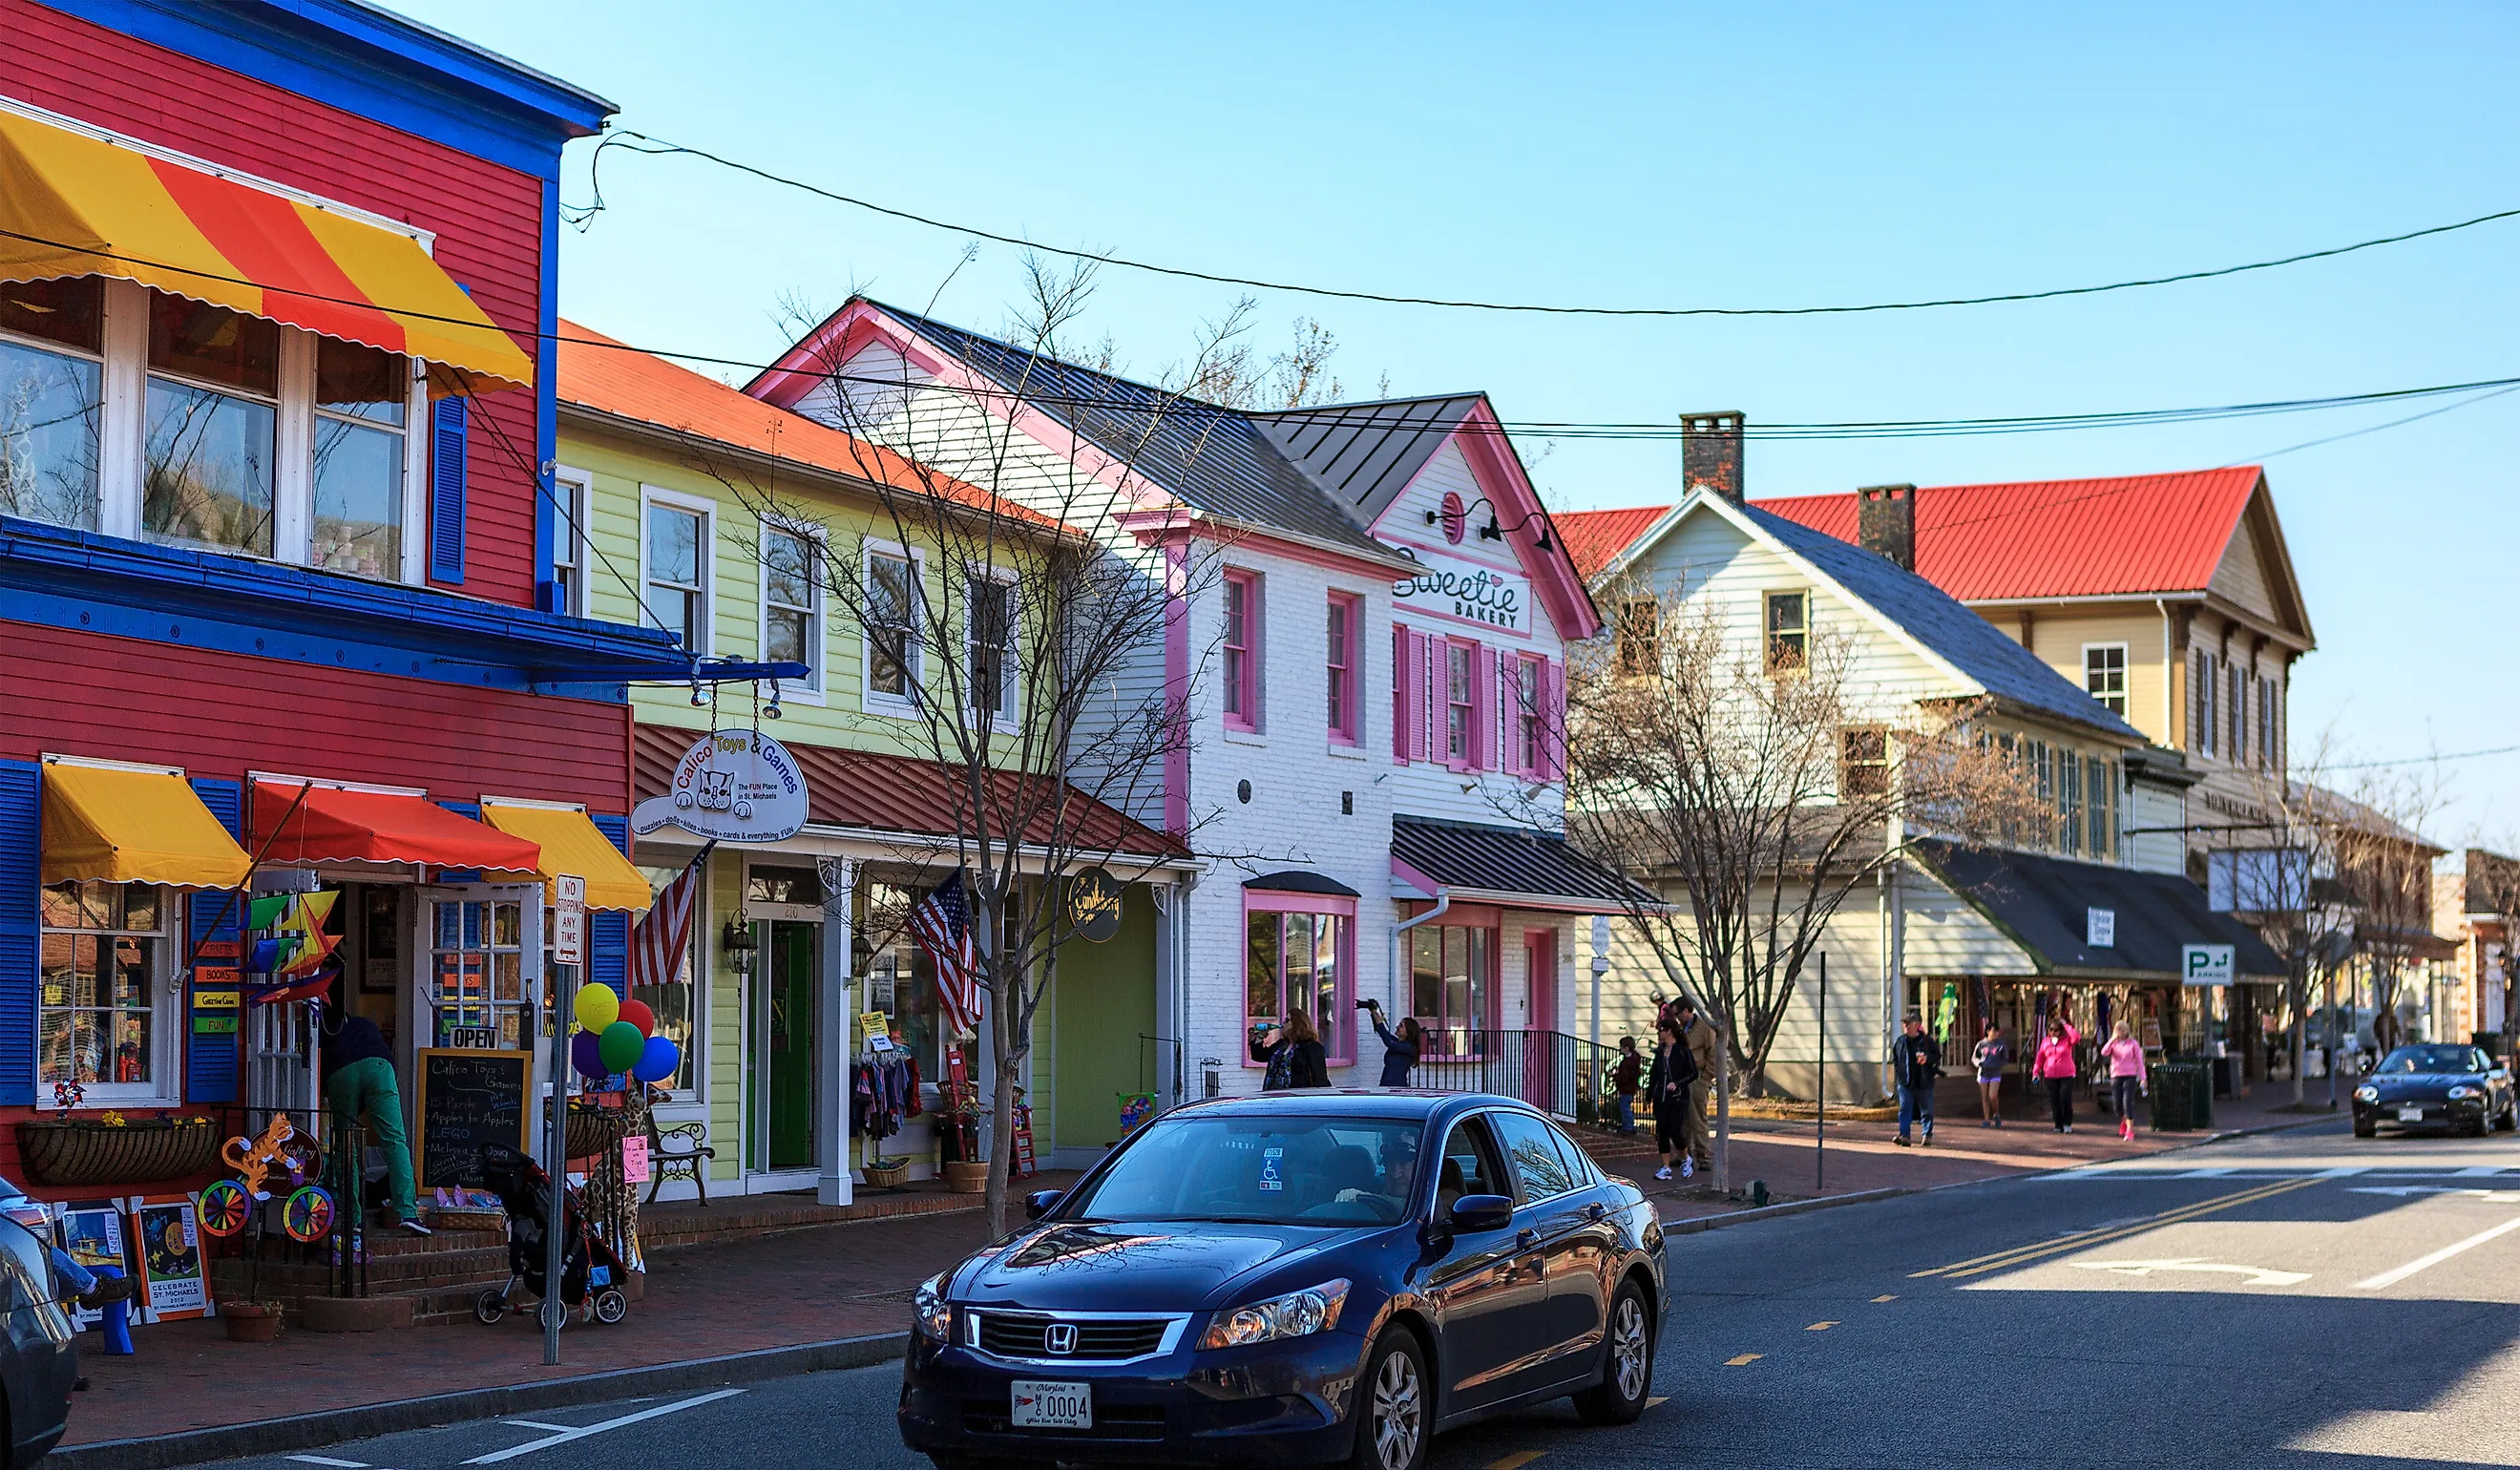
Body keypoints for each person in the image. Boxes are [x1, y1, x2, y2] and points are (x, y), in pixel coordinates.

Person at [322, 997, 428, 1234]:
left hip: (342, 1070)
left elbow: (326, 1083)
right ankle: (408, 1213)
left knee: (346, 1144)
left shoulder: (323, 1033)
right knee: (395, 1141)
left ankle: (353, 1217)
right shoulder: (363, 1024)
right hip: (380, 1067)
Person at [1672, 997, 1720, 1176]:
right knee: (1681, 1119)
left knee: (1697, 1119)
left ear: (1686, 1011)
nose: (1676, 1017)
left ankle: (1704, 1157)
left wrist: (1706, 1077)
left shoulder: (1704, 1027)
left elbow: (1714, 1052)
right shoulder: (1679, 1029)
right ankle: (1684, 1154)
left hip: (1697, 1077)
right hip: (1681, 1078)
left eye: (1678, 1013)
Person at [1647, 1018, 1698, 1180]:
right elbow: (1654, 1076)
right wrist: (1648, 1096)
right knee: (1662, 1131)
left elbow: (1693, 1073)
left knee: (1675, 1130)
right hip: (1660, 1098)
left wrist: (1677, 1083)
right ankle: (1666, 1167)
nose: (1659, 1034)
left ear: (1668, 1031)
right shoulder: (1660, 1053)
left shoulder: (1682, 1051)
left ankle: (1685, 1158)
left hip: (1678, 1098)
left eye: (1660, 1030)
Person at [1890, 1012, 1941, 1146]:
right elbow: (1895, 1059)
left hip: (1923, 1081)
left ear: (1917, 1025)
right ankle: (1904, 1136)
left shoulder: (1926, 1041)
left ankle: (1927, 1135)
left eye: (1908, 1023)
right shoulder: (1900, 1041)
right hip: (1905, 1082)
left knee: (1927, 1110)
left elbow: (1937, 1056)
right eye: (1904, 1023)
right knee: (1905, 1108)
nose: (1905, 1025)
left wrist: (1927, 1059)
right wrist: (1899, 1074)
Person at [1250, 1007, 1329, 1091]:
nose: (1283, 1023)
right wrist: (1260, 1037)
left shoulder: (1312, 1046)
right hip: (1274, 1095)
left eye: (1287, 1020)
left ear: (1297, 1024)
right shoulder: (1282, 1044)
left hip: (1297, 1097)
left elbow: (1320, 1077)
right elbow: (1259, 1056)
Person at [2030, 1017, 2082, 1133]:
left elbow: (2077, 1037)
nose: (2053, 1032)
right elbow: (2040, 1058)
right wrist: (2035, 1072)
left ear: (2061, 1030)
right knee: (2055, 1100)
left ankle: (2067, 1123)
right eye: (2051, 1029)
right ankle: (2058, 1124)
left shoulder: (2067, 1040)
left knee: (2065, 1098)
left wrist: (2066, 1025)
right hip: (2050, 1075)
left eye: (2056, 1030)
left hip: (2067, 1075)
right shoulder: (2045, 1042)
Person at [2101, 1019, 2150, 1141]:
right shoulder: (2114, 1043)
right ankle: (2124, 1121)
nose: (2121, 1032)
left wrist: (2143, 1078)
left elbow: (2139, 1061)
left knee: (2127, 1102)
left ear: (2127, 1030)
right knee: (2117, 1105)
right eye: (2118, 1030)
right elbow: (2104, 1052)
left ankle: (2130, 1130)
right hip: (2116, 1075)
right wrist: (2112, 1039)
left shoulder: (2133, 1043)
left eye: (2123, 1029)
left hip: (2130, 1075)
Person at [1361, 999, 1421, 1087]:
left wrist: (1380, 1022)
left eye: (1401, 1026)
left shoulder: (1408, 1048)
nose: (1397, 1026)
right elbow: (1382, 1032)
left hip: (1398, 1088)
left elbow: (1389, 1042)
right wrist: (1374, 1012)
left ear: (1408, 1032)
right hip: (1385, 1086)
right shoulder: (1396, 1042)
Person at [1972, 1020, 2010, 1127]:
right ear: (1988, 1031)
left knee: (1992, 1096)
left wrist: (1999, 1064)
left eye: (1997, 1031)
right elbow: (1974, 1057)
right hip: (1984, 1073)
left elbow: (2005, 1058)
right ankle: (1986, 1119)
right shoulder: (1981, 1044)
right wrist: (1978, 1063)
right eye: (1994, 1031)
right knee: (1984, 1096)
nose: (1996, 1033)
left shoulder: (2001, 1044)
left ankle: (1996, 1113)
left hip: (1995, 1072)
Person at [1611, 1036, 1644, 1137]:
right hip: (1631, 1087)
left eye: (1621, 1047)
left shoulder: (1627, 1063)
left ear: (1626, 1048)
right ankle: (1629, 1126)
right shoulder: (1634, 1060)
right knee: (1626, 1107)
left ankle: (1628, 1127)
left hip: (1627, 1088)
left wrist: (1614, 1076)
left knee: (1624, 1107)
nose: (1620, 1049)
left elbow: (1624, 1077)